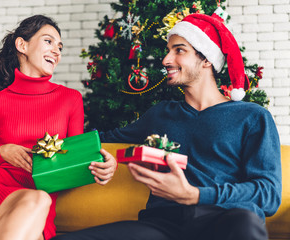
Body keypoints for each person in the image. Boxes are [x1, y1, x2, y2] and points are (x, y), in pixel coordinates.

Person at [52, 11, 281, 240]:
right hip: (163, 225)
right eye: (168, 51)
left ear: (207, 59)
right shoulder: (161, 114)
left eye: (179, 50)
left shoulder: (252, 117)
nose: (166, 60)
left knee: (245, 223)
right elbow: (102, 138)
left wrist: (196, 195)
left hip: (224, 221)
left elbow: (269, 193)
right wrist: (103, 155)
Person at [0, 15, 117, 240]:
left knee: (39, 199)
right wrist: (0, 153)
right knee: (39, 198)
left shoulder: (70, 99)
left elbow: (72, 164)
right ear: (22, 45)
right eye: (48, 41)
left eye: (60, 46)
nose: (57, 51)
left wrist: (102, 167)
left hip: (39, 203)